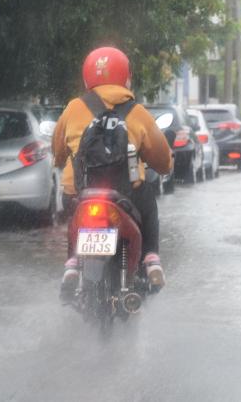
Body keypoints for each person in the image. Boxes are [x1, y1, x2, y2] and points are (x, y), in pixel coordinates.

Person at [52, 46, 173, 295]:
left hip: (80, 193)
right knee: (148, 201)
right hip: (126, 196)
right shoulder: (137, 112)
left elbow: (57, 153)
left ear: (87, 77)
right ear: (126, 77)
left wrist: (63, 159)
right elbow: (163, 162)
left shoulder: (73, 109)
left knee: (73, 212)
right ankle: (151, 258)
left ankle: (73, 261)